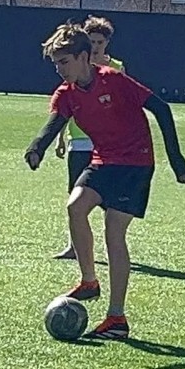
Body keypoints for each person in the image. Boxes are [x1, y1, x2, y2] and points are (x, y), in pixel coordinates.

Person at [25, 23, 185, 340]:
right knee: (75, 207)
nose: (60, 70)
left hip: (135, 164)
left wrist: (176, 160)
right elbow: (54, 123)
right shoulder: (66, 94)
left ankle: (116, 318)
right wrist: (36, 149)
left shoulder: (113, 80)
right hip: (103, 160)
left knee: (114, 233)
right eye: (56, 64)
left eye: (65, 62)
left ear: (84, 57)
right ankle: (89, 281)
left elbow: (161, 108)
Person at [53, 15, 125, 260]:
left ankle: (113, 246)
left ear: (107, 43)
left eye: (99, 42)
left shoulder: (116, 69)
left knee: (109, 200)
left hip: (106, 146)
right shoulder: (74, 68)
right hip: (79, 143)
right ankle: (74, 246)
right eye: (91, 41)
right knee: (74, 195)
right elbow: (64, 107)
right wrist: (60, 138)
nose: (95, 47)